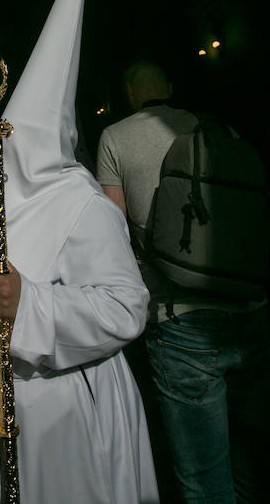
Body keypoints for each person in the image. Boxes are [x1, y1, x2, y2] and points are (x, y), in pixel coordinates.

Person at [0, 0, 158, 502]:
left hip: (71, 407)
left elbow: (127, 306)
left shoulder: (82, 201)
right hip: (7, 406)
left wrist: (32, 301)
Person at [96, 59, 270, 502]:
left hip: (180, 323)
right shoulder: (217, 129)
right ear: (170, 87)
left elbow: (112, 236)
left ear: (130, 93)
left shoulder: (115, 137)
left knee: (204, 482)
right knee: (255, 469)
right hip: (251, 312)